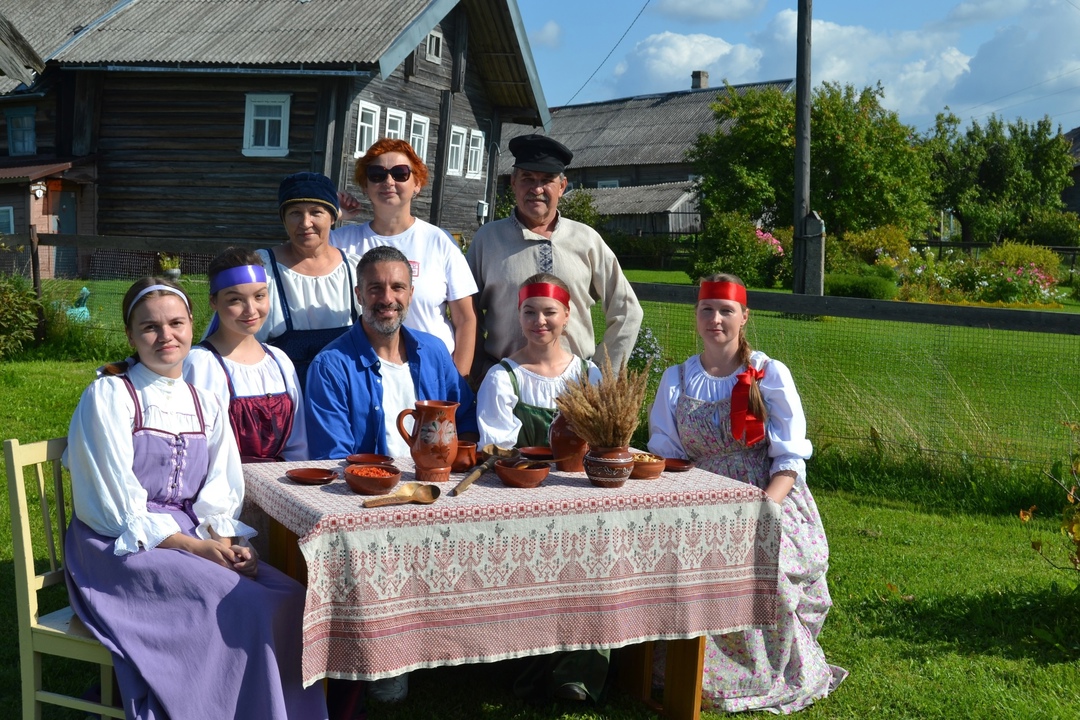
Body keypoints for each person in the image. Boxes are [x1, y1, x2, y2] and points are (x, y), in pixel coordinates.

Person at [63, 277, 327, 720]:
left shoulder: (204, 402)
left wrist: (223, 541)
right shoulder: (110, 395)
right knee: (243, 605)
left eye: (176, 324)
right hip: (118, 548)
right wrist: (194, 548)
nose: (165, 336)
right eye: (150, 327)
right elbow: (114, 504)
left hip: (189, 534)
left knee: (292, 596)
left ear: (191, 327)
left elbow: (220, 489)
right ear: (130, 336)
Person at [647, 273, 847, 714]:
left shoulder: (768, 373)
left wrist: (762, 510)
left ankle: (764, 668)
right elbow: (668, 456)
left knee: (762, 565)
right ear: (696, 316)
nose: (715, 319)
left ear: (744, 316)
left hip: (765, 495)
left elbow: (789, 459)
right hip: (698, 500)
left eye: (725, 310)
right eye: (707, 310)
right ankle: (688, 664)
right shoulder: (677, 379)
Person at [466, 133, 642, 381]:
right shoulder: (488, 239)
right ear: (514, 182)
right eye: (527, 178)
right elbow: (466, 313)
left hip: (575, 389)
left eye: (547, 180)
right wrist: (478, 372)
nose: (536, 189)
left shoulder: (586, 239)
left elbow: (628, 310)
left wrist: (602, 376)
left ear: (562, 186)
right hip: (506, 384)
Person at [305, 245, 478, 461]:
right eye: (376, 288)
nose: (387, 299)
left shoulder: (434, 352)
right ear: (359, 295)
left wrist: (458, 459)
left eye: (397, 287)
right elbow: (333, 457)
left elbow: (466, 416)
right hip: (364, 489)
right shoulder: (330, 367)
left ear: (411, 294)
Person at [332, 138, 478, 376]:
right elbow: (298, 251)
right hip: (360, 372)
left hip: (430, 372)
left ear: (417, 183)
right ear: (365, 186)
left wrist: (457, 380)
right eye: (377, 174)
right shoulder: (340, 241)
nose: (388, 181)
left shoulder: (439, 241)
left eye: (400, 173)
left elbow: (466, 319)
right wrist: (333, 214)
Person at [185, 247, 306, 462]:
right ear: (214, 302)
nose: (251, 309)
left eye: (259, 296)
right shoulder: (200, 364)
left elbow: (298, 444)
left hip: (279, 486)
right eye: (235, 300)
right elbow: (196, 449)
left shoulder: (279, 362)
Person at [257, 171, 360, 388]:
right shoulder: (260, 269)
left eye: (316, 212)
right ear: (283, 218)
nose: (305, 223)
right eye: (295, 213)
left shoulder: (355, 269)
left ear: (333, 217)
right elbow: (231, 339)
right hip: (281, 399)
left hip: (344, 397)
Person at [476, 273, 600, 449]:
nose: (539, 321)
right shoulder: (502, 378)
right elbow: (497, 450)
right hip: (520, 474)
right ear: (519, 315)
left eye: (550, 312)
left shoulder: (587, 375)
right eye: (529, 312)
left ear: (566, 315)